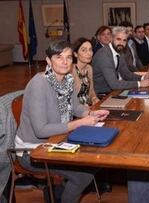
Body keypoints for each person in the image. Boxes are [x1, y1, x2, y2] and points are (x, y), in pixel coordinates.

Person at [15, 40, 109, 203]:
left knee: (98, 158)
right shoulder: (39, 84)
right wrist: (80, 123)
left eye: (68, 57)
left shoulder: (67, 80)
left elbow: (75, 107)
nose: (65, 62)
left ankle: (58, 193)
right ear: (48, 61)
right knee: (82, 176)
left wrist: (92, 112)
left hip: (56, 141)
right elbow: (41, 131)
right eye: (59, 57)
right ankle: (61, 195)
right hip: (32, 151)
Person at [92, 26, 149, 94]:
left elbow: (126, 74)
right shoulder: (104, 55)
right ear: (111, 38)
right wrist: (139, 84)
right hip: (102, 94)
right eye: (118, 39)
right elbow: (114, 84)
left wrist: (143, 77)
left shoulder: (120, 51)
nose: (121, 43)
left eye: (124, 40)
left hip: (114, 91)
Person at [71, 37, 99, 106]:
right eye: (84, 50)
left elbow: (92, 91)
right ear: (75, 54)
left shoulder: (89, 68)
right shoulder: (71, 70)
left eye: (90, 50)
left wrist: (94, 98)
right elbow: (70, 100)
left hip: (88, 107)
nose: (89, 53)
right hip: (76, 111)